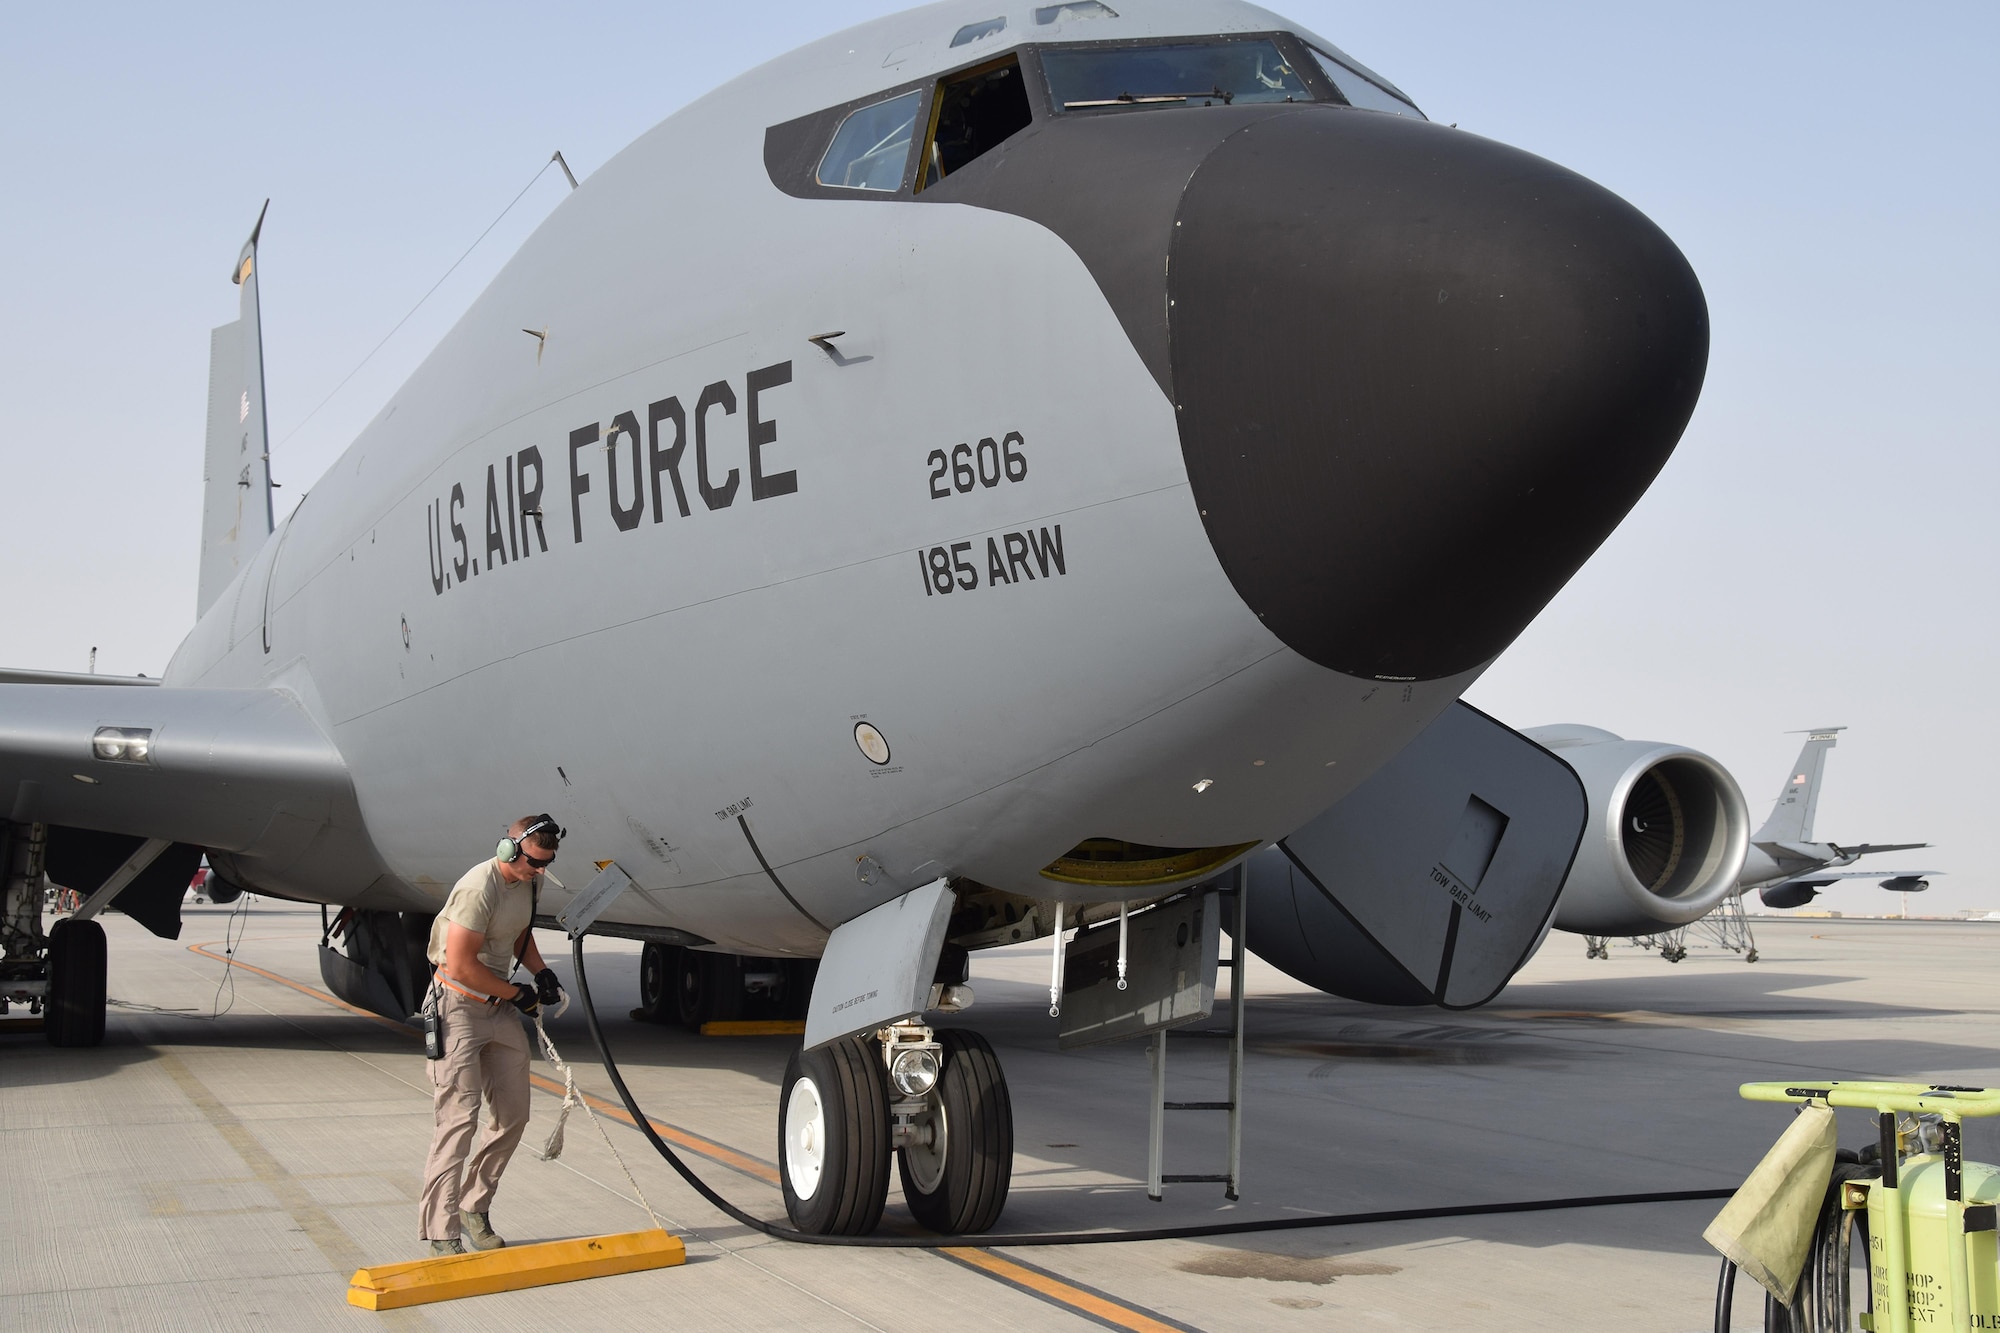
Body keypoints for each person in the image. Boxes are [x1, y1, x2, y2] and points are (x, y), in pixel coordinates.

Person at [418, 814, 566, 1255]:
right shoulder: (477, 887)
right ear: (509, 850)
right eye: (534, 863)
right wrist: (515, 993)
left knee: (513, 1115)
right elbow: (461, 964)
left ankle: (473, 1206)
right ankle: (442, 1233)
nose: (540, 872)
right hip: (458, 1005)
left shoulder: (530, 881)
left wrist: (541, 972)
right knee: (458, 1122)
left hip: (498, 1004)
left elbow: (521, 932)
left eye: (546, 864)